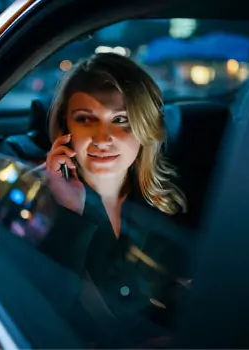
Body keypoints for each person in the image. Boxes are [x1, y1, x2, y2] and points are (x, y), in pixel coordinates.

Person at [37, 53, 195, 347]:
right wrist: (70, 210)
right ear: (65, 129)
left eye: (120, 120)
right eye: (86, 119)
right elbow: (50, 309)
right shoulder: (35, 201)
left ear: (145, 126)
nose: (103, 137)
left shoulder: (172, 199)